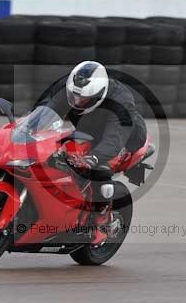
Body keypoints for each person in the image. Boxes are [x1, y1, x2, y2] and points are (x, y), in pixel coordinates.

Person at [35, 61, 147, 246]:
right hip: (90, 130)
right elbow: (47, 109)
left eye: (84, 100)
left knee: (97, 168)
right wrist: (29, 128)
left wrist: (94, 157)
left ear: (99, 95)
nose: (78, 102)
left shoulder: (121, 101)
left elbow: (114, 139)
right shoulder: (72, 89)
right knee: (57, 153)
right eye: (75, 97)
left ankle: (102, 223)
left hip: (125, 138)